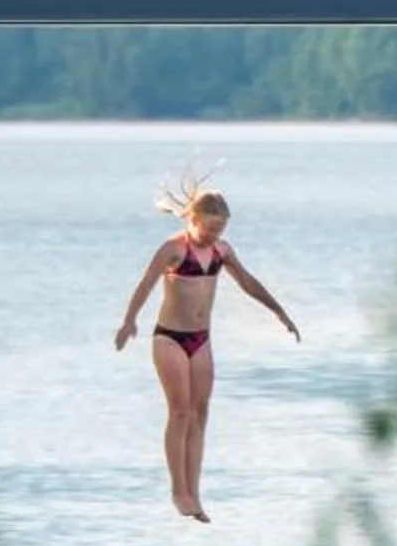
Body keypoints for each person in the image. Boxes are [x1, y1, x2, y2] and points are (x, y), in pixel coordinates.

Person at [114, 181, 299, 523]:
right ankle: (178, 491)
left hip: (201, 340)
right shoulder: (173, 250)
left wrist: (279, 311)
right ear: (194, 219)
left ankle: (194, 492)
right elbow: (145, 283)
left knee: (200, 413)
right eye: (211, 227)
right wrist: (129, 321)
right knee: (180, 412)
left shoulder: (221, 252)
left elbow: (247, 282)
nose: (216, 234)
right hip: (169, 338)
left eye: (221, 229)